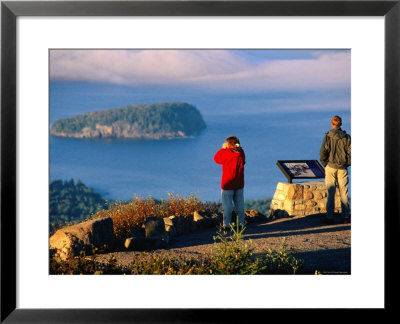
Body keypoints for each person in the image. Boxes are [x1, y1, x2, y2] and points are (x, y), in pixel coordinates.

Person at [319, 116, 351, 224]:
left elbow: (323, 152)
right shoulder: (347, 137)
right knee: (344, 193)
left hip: (331, 167)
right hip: (342, 168)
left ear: (331, 124)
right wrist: (347, 164)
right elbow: (351, 153)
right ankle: (346, 216)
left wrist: (326, 164)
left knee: (330, 192)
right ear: (340, 124)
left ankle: (329, 217)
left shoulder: (328, 136)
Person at [214, 136, 246, 231]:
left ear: (229, 144)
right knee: (239, 205)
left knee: (227, 206)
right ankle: (240, 224)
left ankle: (226, 225)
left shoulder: (227, 153)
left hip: (227, 184)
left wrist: (223, 149)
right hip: (239, 183)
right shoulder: (241, 153)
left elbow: (216, 159)